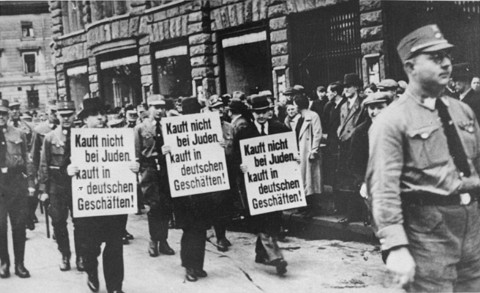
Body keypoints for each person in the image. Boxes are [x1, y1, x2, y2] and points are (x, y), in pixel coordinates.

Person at [367, 24, 480, 292]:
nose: (446, 64)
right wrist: (395, 247)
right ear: (410, 68)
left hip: (472, 226)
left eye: (447, 56)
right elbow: (383, 189)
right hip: (428, 232)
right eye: (435, 57)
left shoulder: (462, 111)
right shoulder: (391, 120)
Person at [68, 97, 137, 293]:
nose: (100, 118)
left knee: (115, 245)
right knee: (90, 247)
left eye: (102, 114)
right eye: (95, 115)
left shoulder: (116, 137)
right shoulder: (76, 140)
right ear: (85, 119)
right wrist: (69, 169)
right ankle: (91, 272)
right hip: (89, 206)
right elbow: (64, 166)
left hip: (113, 204)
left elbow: (125, 163)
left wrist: (133, 167)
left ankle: (115, 286)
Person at [233, 95, 289, 275]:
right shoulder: (244, 133)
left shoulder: (280, 129)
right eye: (257, 113)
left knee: (273, 218)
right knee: (263, 220)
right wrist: (240, 166)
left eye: (264, 112)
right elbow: (235, 158)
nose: (261, 116)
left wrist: (293, 159)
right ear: (252, 114)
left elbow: (289, 151)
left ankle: (260, 252)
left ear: (270, 112)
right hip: (254, 185)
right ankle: (275, 256)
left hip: (276, 184)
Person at [170, 97, 217, 282]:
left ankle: (198, 265)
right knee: (190, 230)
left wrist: (219, 146)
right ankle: (189, 265)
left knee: (201, 228)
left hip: (202, 188)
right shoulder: (174, 131)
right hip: (184, 191)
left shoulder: (206, 129)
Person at [38, 100, 85, 271]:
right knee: (58, 222)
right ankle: (65, 254)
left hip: (77, 184)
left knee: (80, 223)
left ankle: (81, 256)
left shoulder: (82, 135)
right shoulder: (50, 138)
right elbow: (44, 164)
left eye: (69, 115)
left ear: (74, 115)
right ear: (57, 116)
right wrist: (43, 190)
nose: (66, 119)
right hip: (57, 185)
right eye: (62, 115)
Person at [134, 94, 175, 257]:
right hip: (149, 169)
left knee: (165, 205)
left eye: (162, 107)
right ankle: (153, 240)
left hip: (166, 168)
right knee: (154, 206)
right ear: (149, 108)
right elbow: (137, 152)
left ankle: (163, 240)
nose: (159, 111)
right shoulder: (140, 128)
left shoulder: (168, 126)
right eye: (156, 107)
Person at [0, 99, 32, 279]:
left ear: (8, 114)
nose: (1, 117)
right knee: (0, 226)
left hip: (16, 183)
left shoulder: (19, 133)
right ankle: (4, 262)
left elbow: (27, 159)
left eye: (3, 113)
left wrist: (30, 185)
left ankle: (20, 263)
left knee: (19, 225)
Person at [348, 92, 391, 226]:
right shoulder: (360, 132)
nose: (375, 112)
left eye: (380, 107)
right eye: (371, 108)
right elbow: (354, 161)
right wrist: (362, 182)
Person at [336, 73, 366, 223]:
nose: (346, 89)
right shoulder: (343, 106)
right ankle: (352, 214)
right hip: (345, 145)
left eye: (349, 86)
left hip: (357, 145)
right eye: (345, 87)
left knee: (358, 178)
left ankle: (362, 214)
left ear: (356, 87)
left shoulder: (363, 104)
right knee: (348, 180)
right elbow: (343, 125)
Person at [206, 95, 235, 252]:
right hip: (210, 172)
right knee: (216, 204)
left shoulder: (229, 127)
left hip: (226, 171)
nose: (219, 111)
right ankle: (219, 237)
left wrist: (226, 148)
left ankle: (220, 233)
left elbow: (234, 149)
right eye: (215, 108)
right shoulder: (203, 128)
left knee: (225, 204)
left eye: (220, 108)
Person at [293, 94, 323, 217]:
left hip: (309, 152)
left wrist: (314, 151)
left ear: (298, 105)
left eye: (294, 104)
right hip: (301, 152)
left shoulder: (313, 116)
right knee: (304, 180)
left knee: (311, 181)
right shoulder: (299, 118)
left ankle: (313, 207)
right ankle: (305, 206)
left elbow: (317, 133)